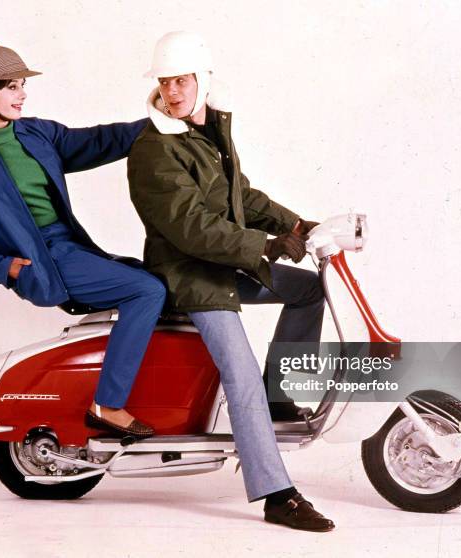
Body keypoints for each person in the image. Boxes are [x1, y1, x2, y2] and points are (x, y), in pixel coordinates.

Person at [128, 31, 333, 531]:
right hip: (188, 275)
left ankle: (279, 394)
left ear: (203, 80)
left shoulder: (209, 131)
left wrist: (296, 225)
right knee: (239, 373)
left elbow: (240, 196)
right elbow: (191, 226)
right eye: (165, 81)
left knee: (307, 289)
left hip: (221, 265)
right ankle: (276, 494)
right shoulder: (155, 148)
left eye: (182, 80)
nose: (173, 90)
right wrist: (263, 247)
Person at [0, 41, 165, 439]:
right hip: (42, 259)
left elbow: (96, 141)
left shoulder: (36, 133)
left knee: (158, 284)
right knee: (146, 291)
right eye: (10, 86)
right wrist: (2, 266)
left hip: (71, 246)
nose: (21, 93)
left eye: (22, 84)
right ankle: (107, 405)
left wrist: (157, 122)